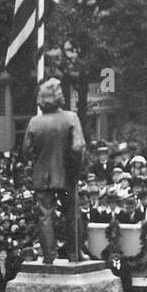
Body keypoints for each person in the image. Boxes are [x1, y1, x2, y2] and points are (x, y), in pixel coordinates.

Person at [23, 79, 86, 263]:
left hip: (42, 177)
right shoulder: (71, 117)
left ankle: (49, 256)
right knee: (73, 214)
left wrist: (38, 160)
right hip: (67, 174)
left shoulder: (34, 122)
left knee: (45, 216)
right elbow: (78, 147)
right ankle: (75, 254)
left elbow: (26, 151)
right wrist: (75, 170)